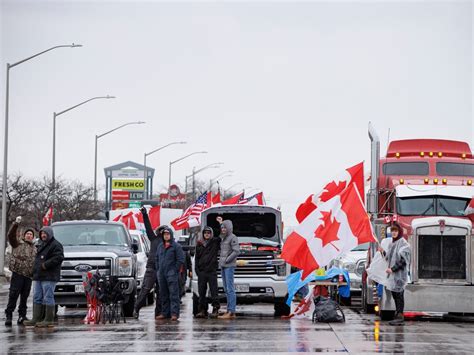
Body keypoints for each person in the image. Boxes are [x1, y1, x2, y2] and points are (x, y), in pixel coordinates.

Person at [24, 226, 64, 328]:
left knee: (48, 297)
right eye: (41, 234)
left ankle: (48, 320)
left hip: (49, 276)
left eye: (45, 233)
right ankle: (36, 318)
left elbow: (59, 257)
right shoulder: (40, 244)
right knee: (37, 297)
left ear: (50, 234)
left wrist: (45, 265)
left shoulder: (56, 245)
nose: (43, 235)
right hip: (38, 276)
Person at [4, 216, 36, 326]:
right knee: (13, 295)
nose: (29, 235)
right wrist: (16, 224)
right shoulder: (17, 244)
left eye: (31, 234)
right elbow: (10, 235)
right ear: (24, 235)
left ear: (33, 237)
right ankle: (9, 315)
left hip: (28, 276)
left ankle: (22, 316)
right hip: (18, 274)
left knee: (24, 297)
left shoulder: (35, 248)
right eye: (27, 234)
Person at [133, 206, 165, 319]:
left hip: (162, 270)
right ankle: (136, 309)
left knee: (161, 292)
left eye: (164, 232)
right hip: (151, 268)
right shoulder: (153, 238)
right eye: (161, 231)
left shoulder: (169, 243)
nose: (162, 234)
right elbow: (148, 227)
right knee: (145, 290)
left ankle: (159, 313)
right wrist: (145, 215)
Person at [155, 227, 185, 321]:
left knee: (174, 294)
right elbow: (156, 258)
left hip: (172, 274)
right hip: (162, 274)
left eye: (168, 234)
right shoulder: (160, 246)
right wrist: (158, 269)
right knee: (163, 294)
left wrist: (175, 270)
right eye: (164, 234)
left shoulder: (176, 246)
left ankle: (174, 314)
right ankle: (165, 313)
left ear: (171, 235)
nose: (166, 236)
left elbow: (181, 260)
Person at [384, 222, 411, 326]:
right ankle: (398, 314)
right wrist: (382, 252)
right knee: (395, 295)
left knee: (399, 295)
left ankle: (400, 315)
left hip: (399, 275)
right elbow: (389, 257)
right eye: (392, 231)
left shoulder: (403, 243)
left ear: (399, 232)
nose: (394, 233)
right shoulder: (392, 243)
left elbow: (404, 261)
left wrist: (393, 269)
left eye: (395, 231)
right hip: (394, 276)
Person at [195, 225, 221, 318]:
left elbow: (221, 235)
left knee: (214, 291)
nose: (207, 234)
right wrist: (197, 271)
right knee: (201, 292)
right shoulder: (199, 244)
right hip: (202, 272)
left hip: (211, 272)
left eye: (208, 233)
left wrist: (220, 224)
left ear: (211, 234)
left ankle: (215, 309)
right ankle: (202, 310)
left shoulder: (215, 242)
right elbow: (196, 259)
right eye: (205, 233)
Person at [217, 219, 240, 320]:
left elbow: (236, 251)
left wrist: (227, 260)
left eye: (225, 227)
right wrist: (220, 223)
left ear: (229, 228)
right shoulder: (223, 238)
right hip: (223, 266)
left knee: (230, 289)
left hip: (229, 266)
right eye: (222, 228)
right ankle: (229, 310)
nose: (223, 229)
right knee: (226, 289)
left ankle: (231, 311)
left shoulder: (233, 237)